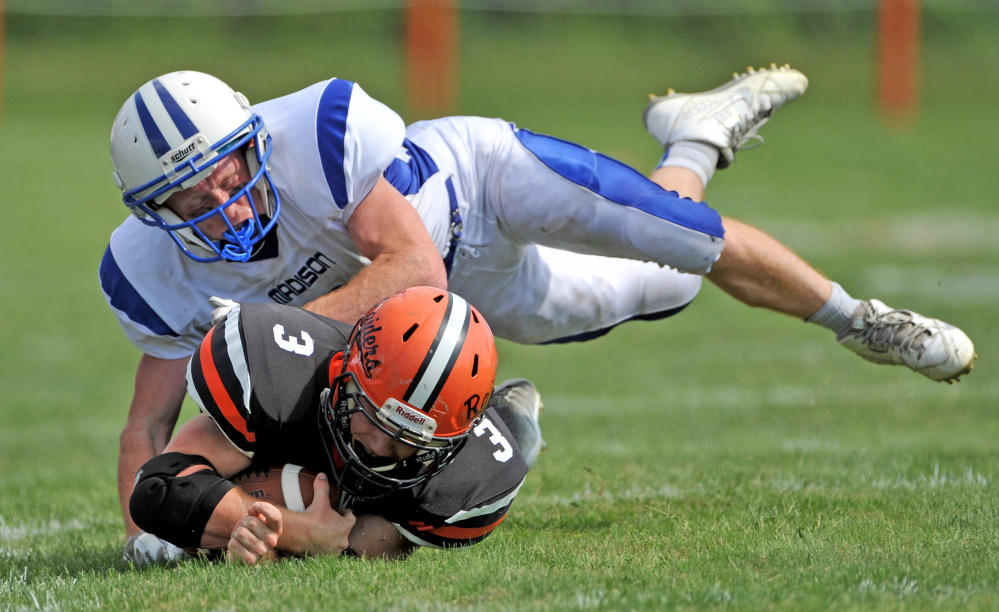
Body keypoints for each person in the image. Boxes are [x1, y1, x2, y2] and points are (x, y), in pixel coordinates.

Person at [102, 65, 976, 562]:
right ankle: (696, 139)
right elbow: (149, 423)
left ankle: (860, 320)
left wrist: (286, 347)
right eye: (189, 197)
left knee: (679, 241)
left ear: (254, 142)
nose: (221, 202)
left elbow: (410, 262)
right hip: (447, 312)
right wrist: (155, 533)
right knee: (659, 289)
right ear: (154, 214)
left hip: (473, 191)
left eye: (225, 172)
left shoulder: (314, 137)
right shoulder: (151, 271)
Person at [127, 287, 543, 563]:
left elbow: (364, 543)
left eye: (408, 440)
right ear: (347, 373)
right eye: (374, 415)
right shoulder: (279, 373)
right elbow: (162, 487)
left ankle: (514, 419)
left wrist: (274, 543)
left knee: (514, 443)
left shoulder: (474, 475)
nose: (379, 447)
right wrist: (293, 530)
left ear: (447, 445)